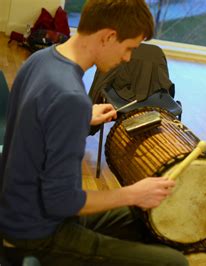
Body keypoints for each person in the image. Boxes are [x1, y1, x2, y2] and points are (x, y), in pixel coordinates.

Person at [0, 0, 188, 265]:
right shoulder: (70, 98)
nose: (128, 58)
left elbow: (33, 121)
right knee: (173, 262)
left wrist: (82, 116)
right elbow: (62, 202)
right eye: (129, 48)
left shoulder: (41, 60)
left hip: (15, 208)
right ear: (108, 36)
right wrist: (133, 193)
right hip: (35, 231)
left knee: (143, 220)